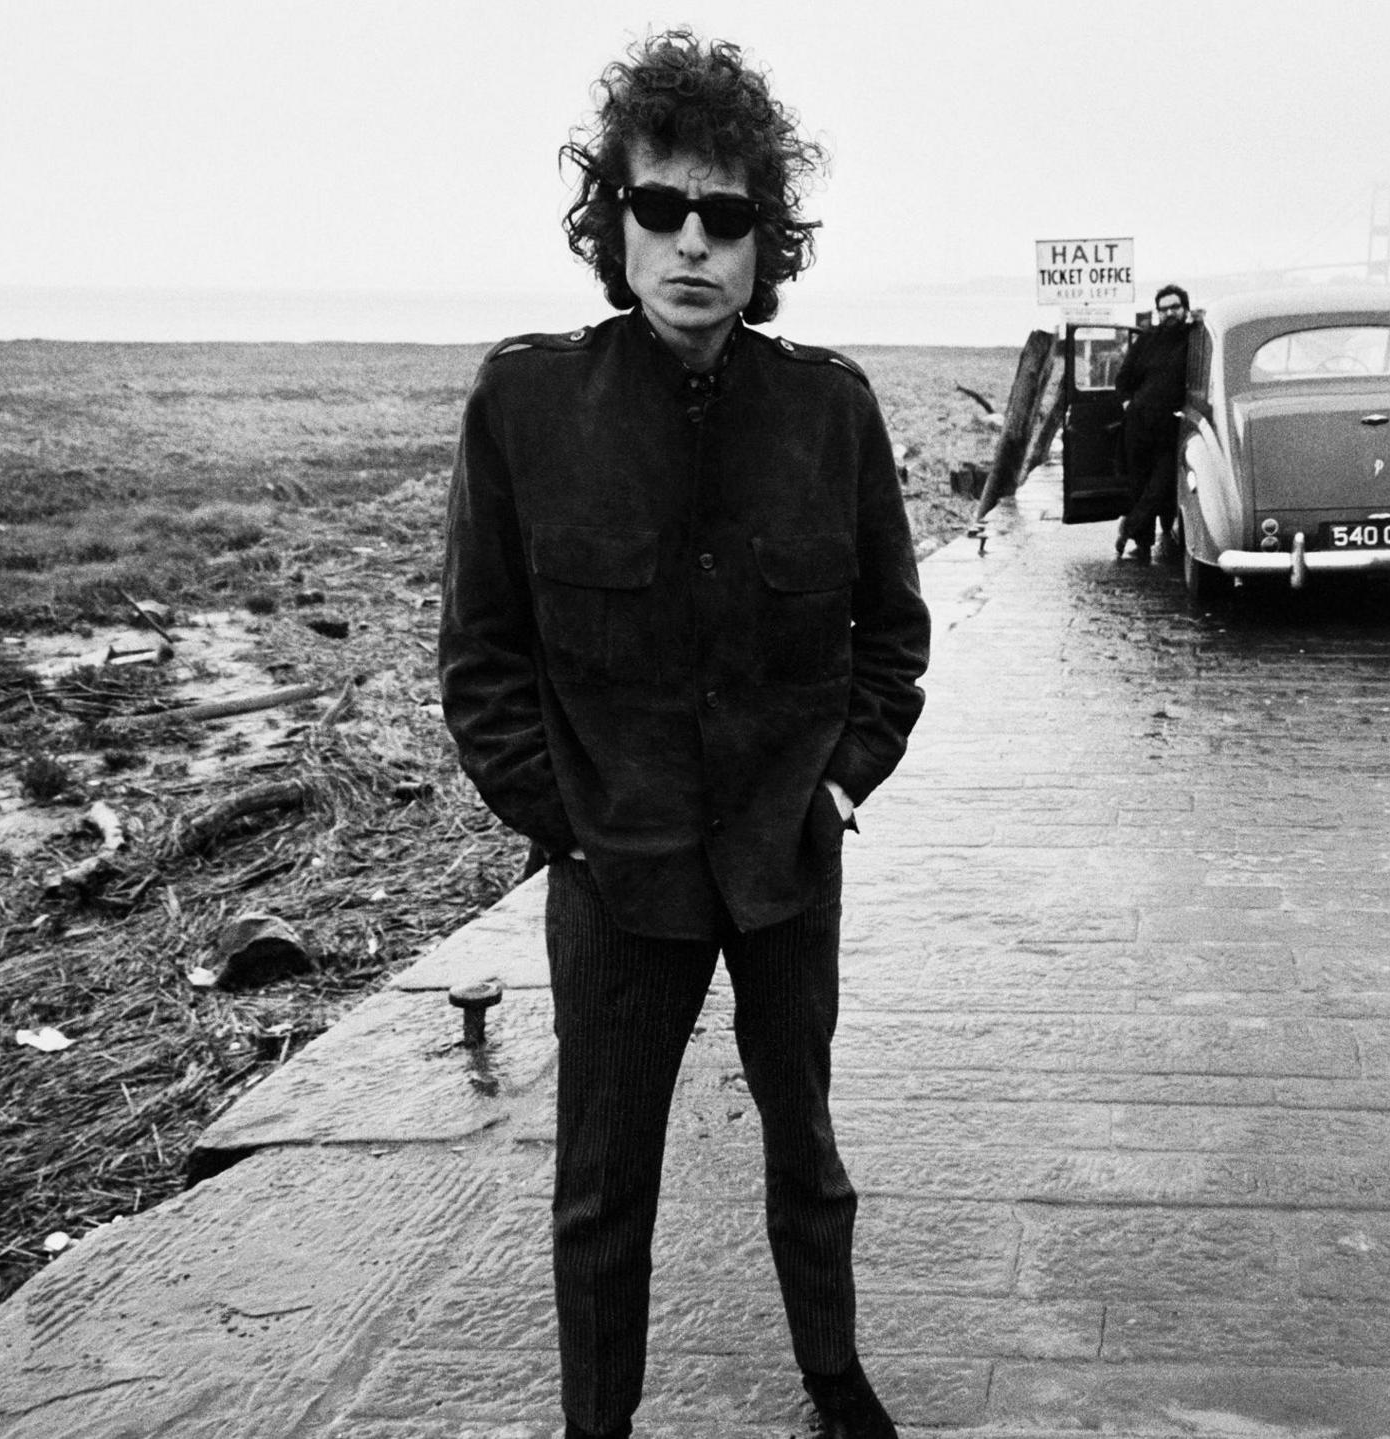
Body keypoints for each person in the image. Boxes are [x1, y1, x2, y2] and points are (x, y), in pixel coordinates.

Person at [437, 30, 928, 1439]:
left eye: (728, 215)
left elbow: (892, 636)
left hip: (785, 860)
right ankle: (601, 1422)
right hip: (616, 873)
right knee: (602, 1182)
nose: (694, 241)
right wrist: (571, 823)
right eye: (661, 208)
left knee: (809, 1149)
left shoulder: (828, 411)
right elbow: (483, 660)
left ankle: (836, 1378)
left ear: (769, 242)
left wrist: (835, 790)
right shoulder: (525, 406)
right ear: (614, 223)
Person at [1111, 284, 1196, 563]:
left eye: (1175, 307)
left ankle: (1130, 525)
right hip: (1139, 424)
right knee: (1139, 484)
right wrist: (1129, 406)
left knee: (1162, 484)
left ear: (1185, 308)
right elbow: (1123, 381)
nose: (1170, 313)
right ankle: (1142, 543)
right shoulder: (1146, 340)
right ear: (1158, 312)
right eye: (1164, 309)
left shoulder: (1195, 340)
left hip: (1173, 426)